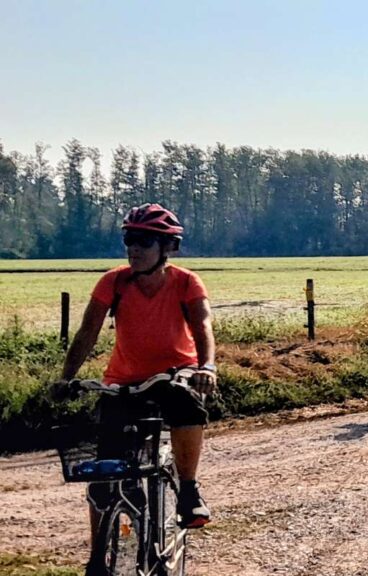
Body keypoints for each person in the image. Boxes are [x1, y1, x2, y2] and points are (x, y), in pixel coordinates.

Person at [55, 203, 217, 545]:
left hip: (174, 375)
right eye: (129, 238)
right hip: (123, 382)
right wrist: (66, 377)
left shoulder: (186, 282)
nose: (134, 248)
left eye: (144, 240)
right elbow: (87, 332)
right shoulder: (114, 282)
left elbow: (202, 327)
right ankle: (99, 554)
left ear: (167, 247)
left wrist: (206, 368)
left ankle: (189, 490)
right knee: (104, 474)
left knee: (184, 402)